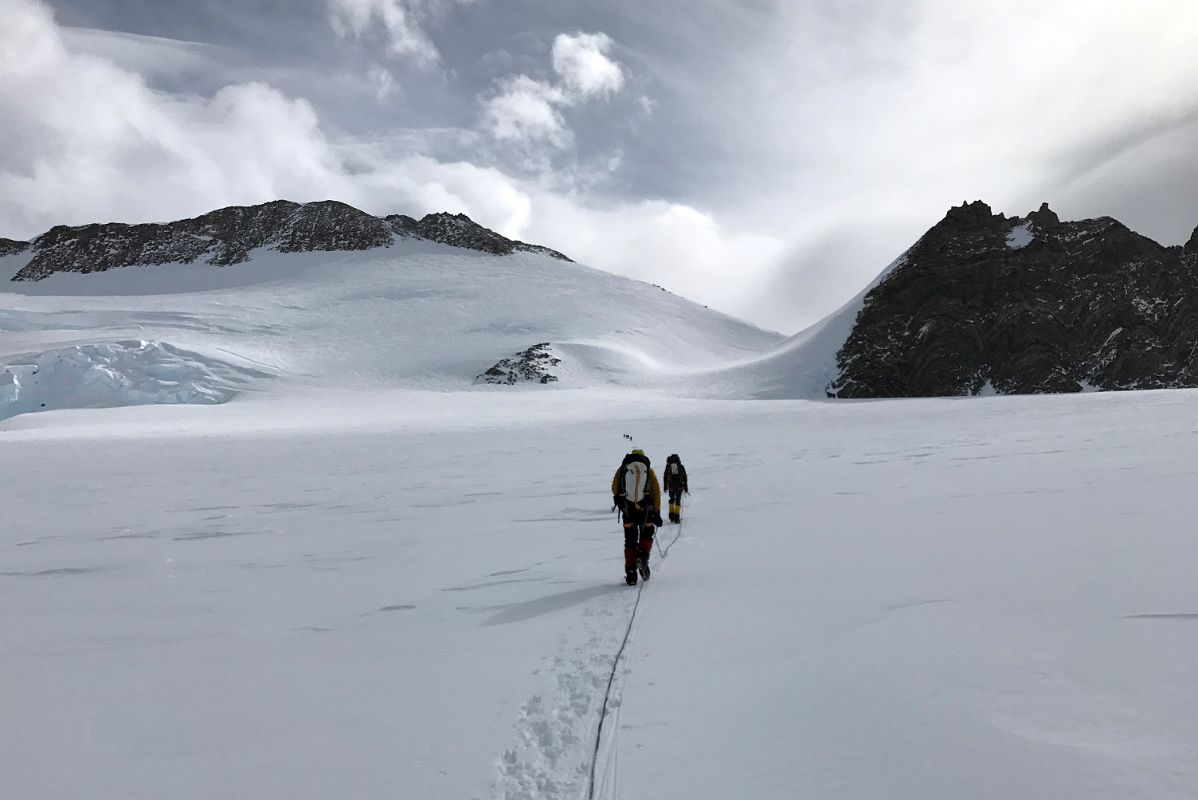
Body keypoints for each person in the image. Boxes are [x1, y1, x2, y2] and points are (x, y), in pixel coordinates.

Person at [611, 449, 662, 585]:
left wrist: (620, 500)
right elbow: (656, 491)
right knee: (646, 535)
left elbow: (614, 487)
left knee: (630, 542)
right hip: (646, 509)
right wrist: (656, 512)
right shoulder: (648, 470)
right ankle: (642, 555)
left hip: (628, 511)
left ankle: (631, 574)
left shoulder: (623, 468)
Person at [663, 453, 689, 523]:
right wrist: (685, 486)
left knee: (671, 499)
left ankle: (671, 516)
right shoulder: (681, 466)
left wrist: (665, 486)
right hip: (679, 487)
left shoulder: (668, 467)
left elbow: (665, 477)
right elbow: (684, 477)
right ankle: (676, 517)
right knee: (678, 500)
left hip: (671, 487)